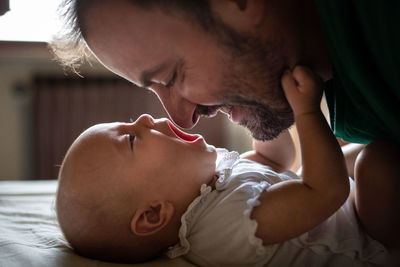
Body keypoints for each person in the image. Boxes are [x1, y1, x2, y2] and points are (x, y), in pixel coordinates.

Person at [56, 67, 397, 266]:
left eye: (130, 122)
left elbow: (275, 160)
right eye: (131, 139)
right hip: (369, 238)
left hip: (350, 205)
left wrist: (251, 106)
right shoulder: (223, 227)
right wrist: (306, 110)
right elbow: (326, 191)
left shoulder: (210, 185)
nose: (144, 118)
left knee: (355, 154)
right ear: (153, 215)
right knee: (376, 160)